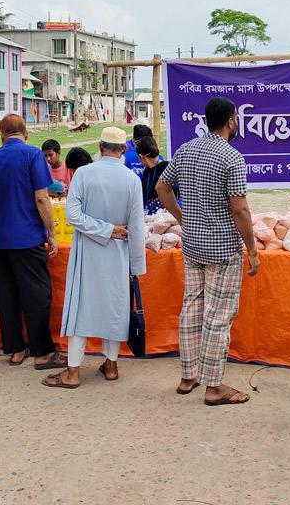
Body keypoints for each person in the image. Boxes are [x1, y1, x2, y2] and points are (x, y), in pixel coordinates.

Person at [157, 97, 260, 406]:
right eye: (236, 119)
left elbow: (163, 187)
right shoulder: (231, 157)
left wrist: (182, 217)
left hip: (193, 244)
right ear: (230, 121)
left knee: (191, 307)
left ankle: (188, 376)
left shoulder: (186, 149)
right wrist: (253, 250)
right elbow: (240, 209)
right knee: (218, 316)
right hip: (223, 248)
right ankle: (213, 387)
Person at [42, 127, 146, 389]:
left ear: (100, 147)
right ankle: (111, 365)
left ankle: (73, 372)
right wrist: (135, 265)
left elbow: (73, 216)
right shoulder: (131, 179)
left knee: (81, 308)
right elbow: (136, 226)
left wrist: (104, 231)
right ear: (124, 150)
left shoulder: (84, 174)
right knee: (115, 308)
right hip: (118, 253)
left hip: (88, 252)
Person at [0, 114, 65, 369]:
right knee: (37, 294)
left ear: (1, 134)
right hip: (26, 237)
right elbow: (41, 197)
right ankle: (43, 352)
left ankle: (16, 350)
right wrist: (50, 233)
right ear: (25, 132)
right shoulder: (32, 155)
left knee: (7, 295)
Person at [137, 136, 175, 215]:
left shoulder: (165, 167)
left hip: (167, 215)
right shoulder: (147, 171)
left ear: (141, 156)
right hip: (153, 216)